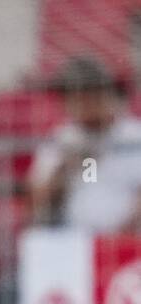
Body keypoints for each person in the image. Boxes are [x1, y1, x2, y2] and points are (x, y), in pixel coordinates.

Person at [29, 55, 141, 233]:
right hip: (73, 243)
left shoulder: (134, 136)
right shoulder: (62, 139)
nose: (87, 106)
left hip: (128, 241)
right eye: (78, 99)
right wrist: (66, 168)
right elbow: (37, 200)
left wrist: (126, 232)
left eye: (93, 97)